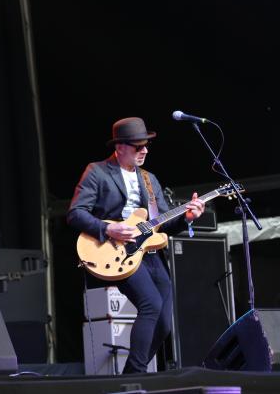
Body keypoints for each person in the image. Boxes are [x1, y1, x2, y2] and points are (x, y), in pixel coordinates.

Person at [68, 117, 204, 374]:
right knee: (150, 304)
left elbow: (161, 224)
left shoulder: (150, 179)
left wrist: (187, 218)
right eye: (138, 146)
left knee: (164, 323)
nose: (145, 151)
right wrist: (108, 228)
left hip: (150, 252)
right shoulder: (97, 171)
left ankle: (130, 374)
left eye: (146, 146)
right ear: (119, 147)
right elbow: (75, 213)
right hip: (117, 250)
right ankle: (138, 375)